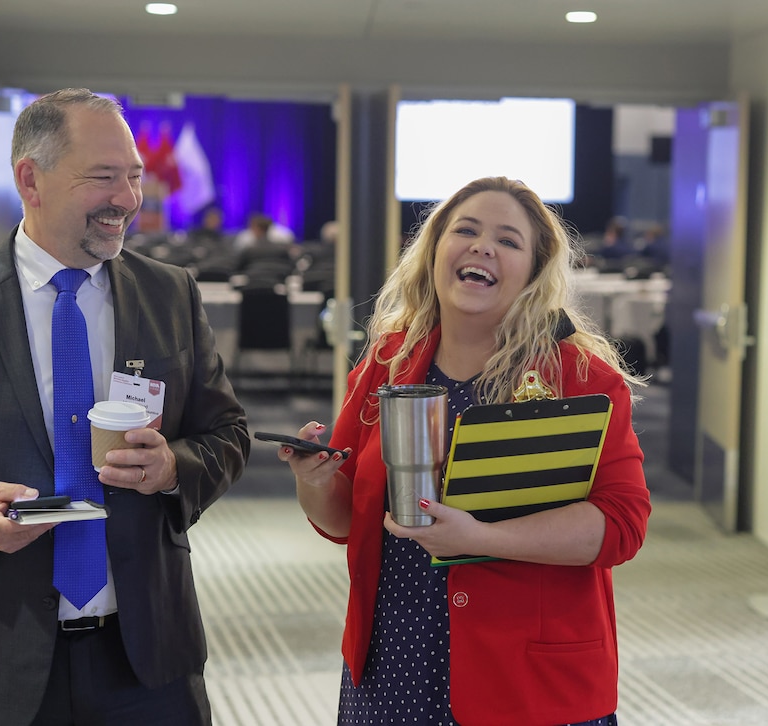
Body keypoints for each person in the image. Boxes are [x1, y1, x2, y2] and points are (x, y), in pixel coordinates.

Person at [0, 88, 249, 726]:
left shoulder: (169, 294)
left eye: (134, 177)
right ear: (30, 179)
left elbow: (227, 432)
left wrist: (174, 468)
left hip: (146, 654)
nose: (128, 199)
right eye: (104, 177)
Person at [277, 176, 651, 725]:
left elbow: (623, 524)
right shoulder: (389, 362)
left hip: (530, 685)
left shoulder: (578, 377)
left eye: (508, 240)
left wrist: (483, 539)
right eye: (467, 230)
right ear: (434, 252)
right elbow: (345, 520)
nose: (483, 246)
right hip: (395, 667)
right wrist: (313, 481)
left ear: (532, 271)